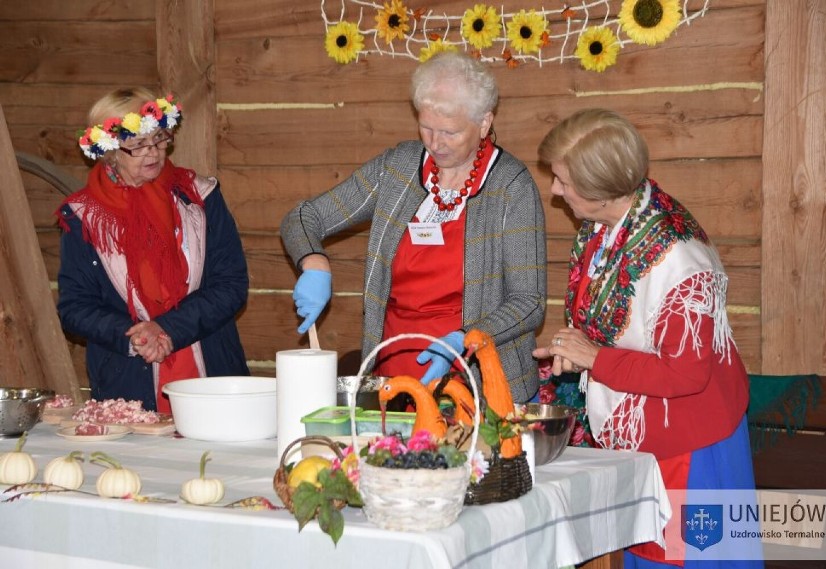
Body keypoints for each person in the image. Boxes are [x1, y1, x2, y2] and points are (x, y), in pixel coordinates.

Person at [533, 108, 760, 568]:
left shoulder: (679, 260)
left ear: (601, 189)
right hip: (646, 435)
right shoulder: (610, 225)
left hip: (690, 447)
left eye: (563, 181)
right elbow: (623, 327)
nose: (555, 190)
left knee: (680, 559)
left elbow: (687, 373)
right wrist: (577, 354)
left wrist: (595, 357)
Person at [281, 51, 546, 402]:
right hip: (394, 373)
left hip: (478, 380)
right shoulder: (399, 169)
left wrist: (468, 338)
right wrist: (314, 263)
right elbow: (303, 217)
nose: (435, 143)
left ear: (484, 123)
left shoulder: (511, 186)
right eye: (426, 128)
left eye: (449, 132)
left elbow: (529, 301)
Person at [56, 87, 250, 413]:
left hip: (209, 372)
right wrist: (132, 337)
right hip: (128, 383)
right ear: (110, 150)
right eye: (137, 144)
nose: (153, 152)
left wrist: (168, 329)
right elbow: (75, 308)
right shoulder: (82, 217)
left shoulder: (199, 198)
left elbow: (231, 284)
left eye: (159, 138)